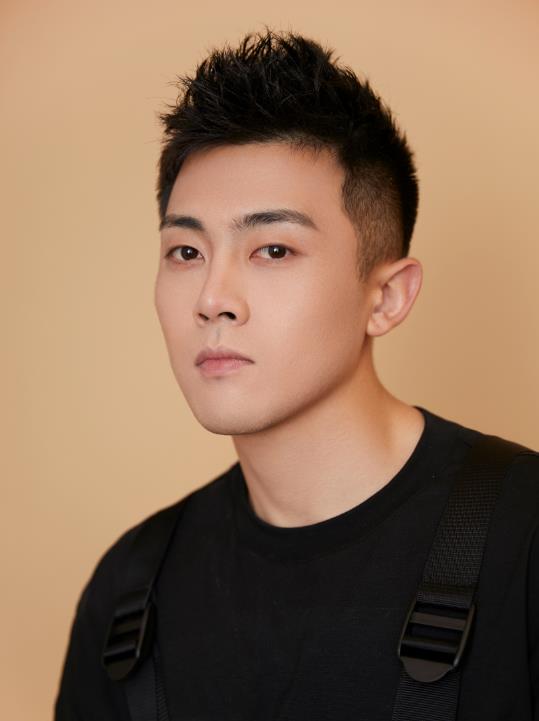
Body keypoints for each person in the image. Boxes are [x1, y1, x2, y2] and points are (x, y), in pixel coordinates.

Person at [54, 27, 539, 721]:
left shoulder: (522, 535)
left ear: (386, 297)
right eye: (186, 251)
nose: (212, 298)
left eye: (273, 249)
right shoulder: (129, 590)